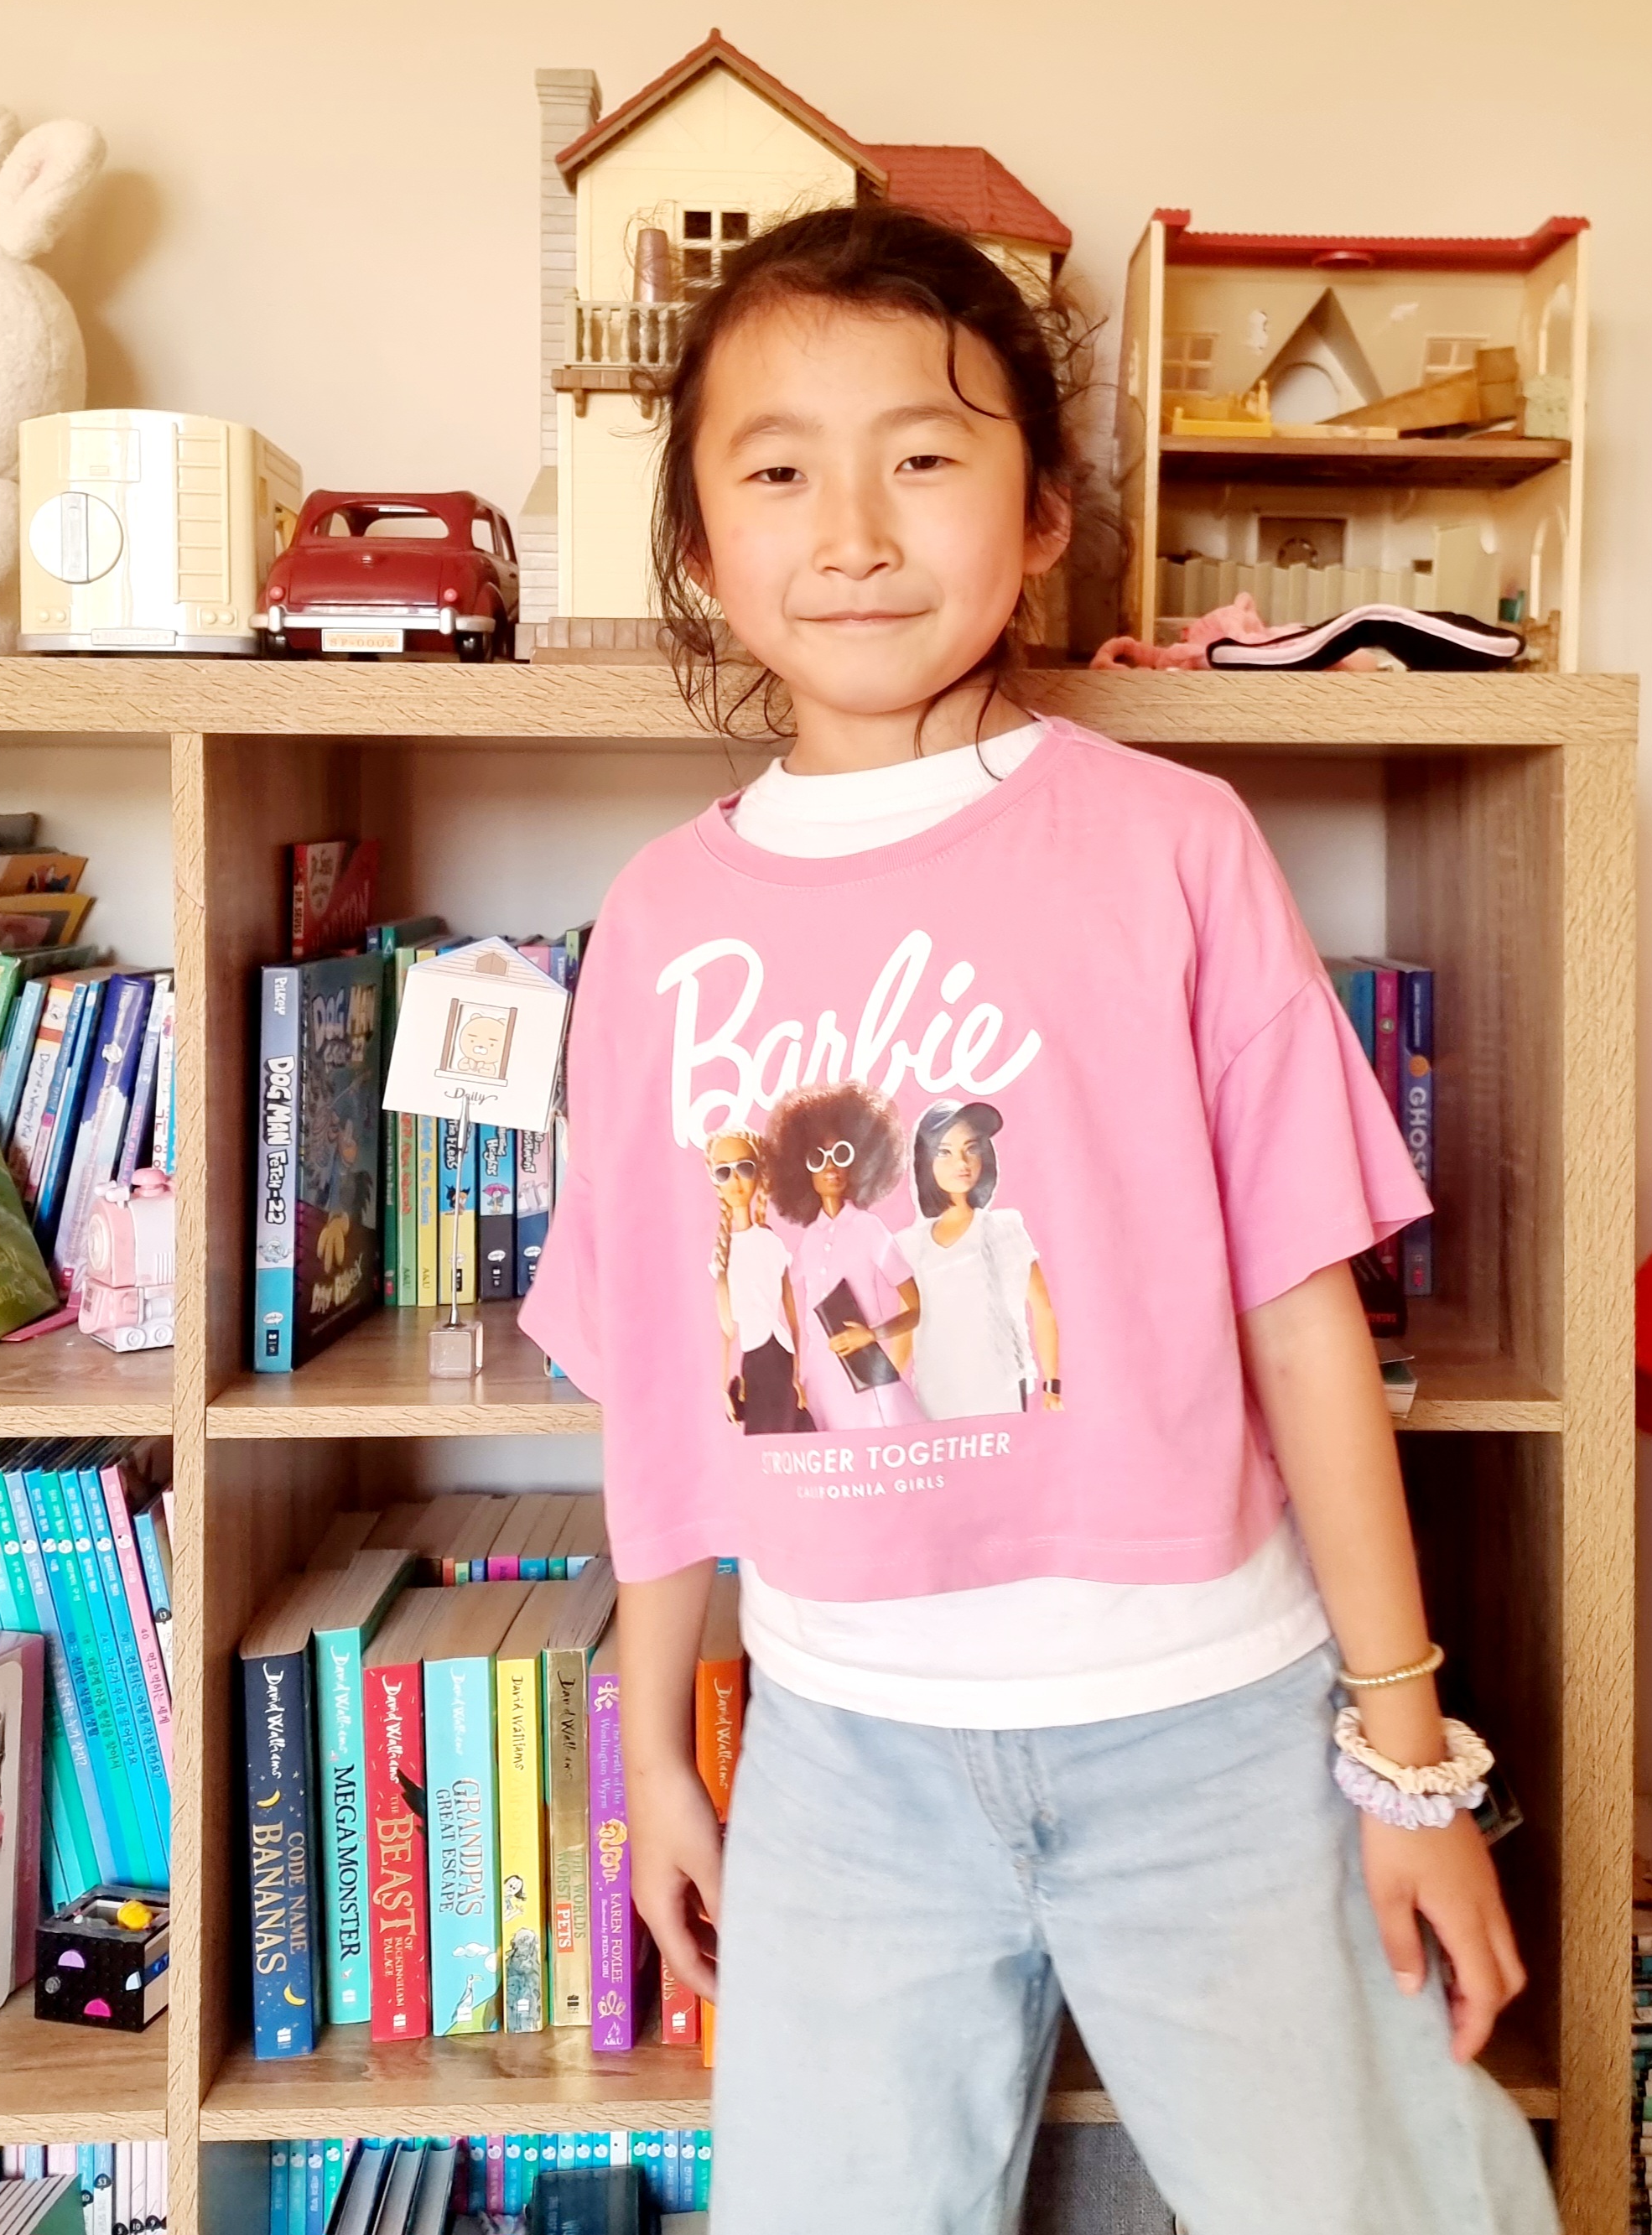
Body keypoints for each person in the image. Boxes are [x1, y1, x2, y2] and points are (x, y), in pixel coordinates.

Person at [521, 203, 1556, 2235]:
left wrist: (1408, 1756)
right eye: (776, 470)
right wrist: (651, 1748)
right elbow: (661, 1374)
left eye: (922, 454)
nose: (852, 529)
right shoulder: (656, 922)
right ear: (698, 546)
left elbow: (1302, 1318)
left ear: (1044, 510)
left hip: (1215, 1732)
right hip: (844, 1761)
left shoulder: (1172, 845)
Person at [759, 1079, 921, 1430]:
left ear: (859, 1161)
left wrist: (871, 1334)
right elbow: (779, 1291)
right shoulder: (809, 1240)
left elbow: (916, 1309)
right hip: (818, 1378)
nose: (830, 1167)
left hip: (863, 1374)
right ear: (801, 1169)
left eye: (841, 1154)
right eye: (818, 1158)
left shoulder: (869, 1228)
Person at [896, 1096, 1062, 1416]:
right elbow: (906, 1323)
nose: (962, 1162)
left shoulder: (1003, 1229)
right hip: (935, 1393)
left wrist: (1052, 1385)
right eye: (945, 1152)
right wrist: (882, 1391)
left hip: (999, 1388)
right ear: (925, 1161)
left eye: (971, 1148)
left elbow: (1041, 1308)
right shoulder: (910, 1245)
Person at [704, 1127, 813, 1432]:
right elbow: (727, 1330)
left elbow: (792, 1318)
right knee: (763, 1433)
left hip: (780, 1352)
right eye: (724, 1172)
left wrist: (797, 1375)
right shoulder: (723, 1252)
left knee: (790, 1430)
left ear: (758, 1174)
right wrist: (723, 1386)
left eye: (744, 1168)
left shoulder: (770, 1242)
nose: (736, 1181)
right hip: (753, 1357)